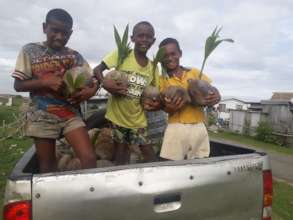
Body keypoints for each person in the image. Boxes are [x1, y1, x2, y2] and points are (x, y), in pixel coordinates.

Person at [12, 8, 98, 173]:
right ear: (45, 28)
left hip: (70, 114)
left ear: (70, 33)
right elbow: (18, 85)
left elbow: (93, 80)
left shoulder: (74, 56)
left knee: (89, 158)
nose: (60, 36)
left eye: (65, 33)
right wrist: (45, 82)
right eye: (55, 31)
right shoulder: (29, 51)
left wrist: (89, 92)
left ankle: (85, 196)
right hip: (41, 116)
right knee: (47, 166)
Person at [94, 21, 159, 165]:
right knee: (121, 155)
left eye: (148, 37)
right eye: (140, 35)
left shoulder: (153, 67)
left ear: (153, 41)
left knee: (148, 152)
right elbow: (97, 70)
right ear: (132, 38)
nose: (144, 39)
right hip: (118, 117)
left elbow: (152, 93)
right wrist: (105, 83)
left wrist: (153, 103)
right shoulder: (122, 54)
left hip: (138, 119)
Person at [158, 37, 221, 160]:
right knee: (171, 166)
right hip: (175, 127)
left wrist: (217, 96)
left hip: (199, 126)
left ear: (180, 53)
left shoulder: (194, 72)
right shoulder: (161, 80)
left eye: (173, 54)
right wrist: (180, 101)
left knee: (200, 164)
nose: (170, 58)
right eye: (165, 56)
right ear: (161, 59)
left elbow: (211, 89)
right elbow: (167, 109)